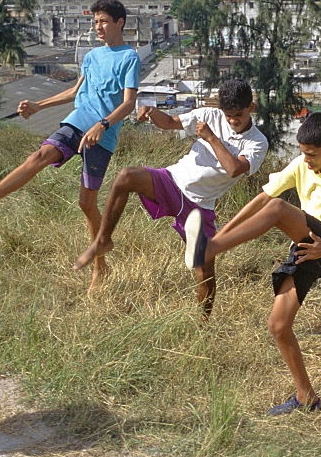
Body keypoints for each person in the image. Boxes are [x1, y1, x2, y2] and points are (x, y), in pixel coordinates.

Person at [185, 112, 321, 415]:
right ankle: (307, 398)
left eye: (312, 155)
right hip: (306, 248)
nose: (306, 160)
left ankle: (208, 249)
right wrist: (222, 235)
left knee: (279, 208)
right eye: (302, 153)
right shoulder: (302, 164)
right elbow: (263, 198)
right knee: (278, 325)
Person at [0, 0, 140, 292]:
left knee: (86, 203)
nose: (98, 28)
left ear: (119, 23)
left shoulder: (130, 58)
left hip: (101, 135)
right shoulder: (91, 57)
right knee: (39, 155)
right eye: (95, 22)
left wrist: (103, 125)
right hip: (77, 121)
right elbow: (75, 91)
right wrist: (39, 105)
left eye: (103, 21)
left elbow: (129, 104)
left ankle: (100, 268)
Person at [72, 79, 268, 315]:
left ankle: (203, 326)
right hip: (172, 180)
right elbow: (169, 123)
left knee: (204, 270)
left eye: (238, 115)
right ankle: (103, 240)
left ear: (251, 108)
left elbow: (234, 169)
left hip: (199, 205)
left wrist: (211, 138)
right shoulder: (210, 114)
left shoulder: (257, 142)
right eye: (228, 115)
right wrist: (153, 112)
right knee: (126, 176)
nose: (232, 120)